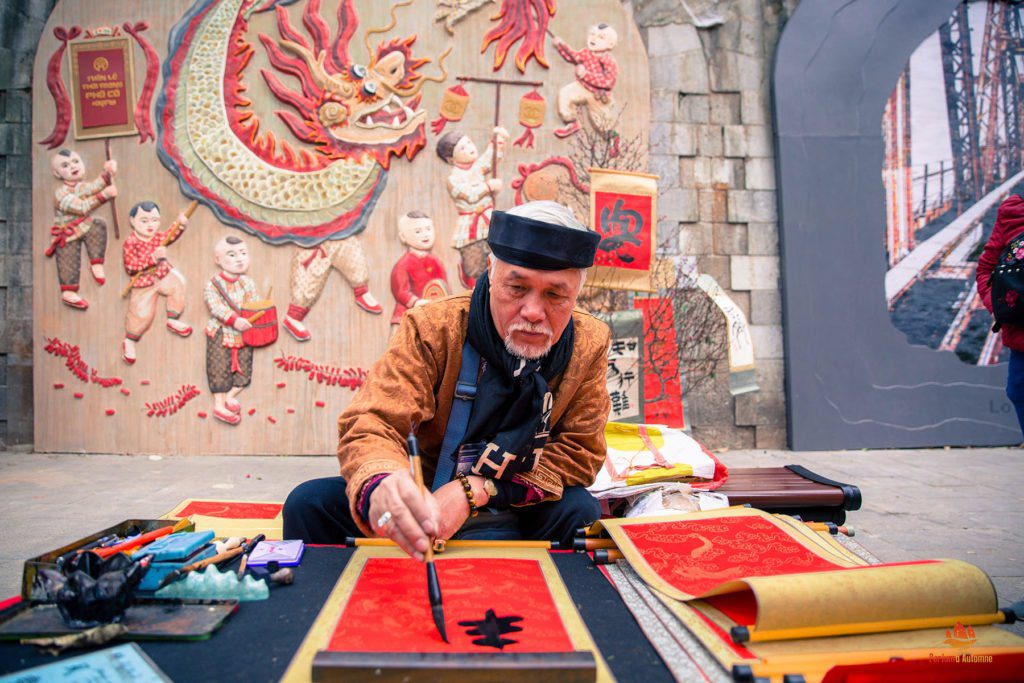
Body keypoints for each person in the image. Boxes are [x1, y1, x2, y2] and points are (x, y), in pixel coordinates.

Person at [284, 201, 610, 554]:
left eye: (555, 295)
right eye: (517, 288)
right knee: (308, 504)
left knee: (581, 512)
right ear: (490, 271)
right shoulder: (434, 327)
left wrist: (476, 490)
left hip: (517, 502)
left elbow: (580, 452)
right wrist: (385, 483)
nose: (533, 312)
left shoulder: (588, 343)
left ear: (576, 293)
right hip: (426, 498)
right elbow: (374, 419)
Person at [437, 126, 509, 289]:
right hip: (470, 227)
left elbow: (490, 159)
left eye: (469, 142)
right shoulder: (453, 178)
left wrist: (498, 140)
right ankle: (474, 290)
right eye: (462, 147)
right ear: (451, 159)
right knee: (475, 264)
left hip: (488, 220)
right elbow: (469, 195)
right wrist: (489, 186)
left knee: (497, 258)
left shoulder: (477, 168)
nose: (470, 148)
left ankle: (495, 289)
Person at [121, 202, 192, 364]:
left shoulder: (158, 237)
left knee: (178, 283)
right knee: (141, 313)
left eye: (154, 220)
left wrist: (180, 224)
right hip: (143, 281)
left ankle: (173, 318)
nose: (150, 225)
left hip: (162, 273)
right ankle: (130, 341)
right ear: (132, 221)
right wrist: (152, 258)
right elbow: (130, 266)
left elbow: (171, 234)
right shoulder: (131, 242)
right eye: (144, 221)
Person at [977, 194, 1024, 435]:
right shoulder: (1014, 211)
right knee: (1019, 391)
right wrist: (997, 307)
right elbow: (986, 268)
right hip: (1022, 342)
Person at [47, 149, 114, 311]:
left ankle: (96, 263)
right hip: (66, 234)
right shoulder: (60, 194)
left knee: (98, 226)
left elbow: (93, 187)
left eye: (75, 161)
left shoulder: (81, 186)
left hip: (84, 226)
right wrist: (104, 196)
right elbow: (82, 207)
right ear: (57, 174)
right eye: (65, 165)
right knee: (68, 260)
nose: (72, 167)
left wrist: (108, 173)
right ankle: (68, 292)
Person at [203, 235, 260, 426]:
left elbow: (254, 304)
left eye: (243, 253)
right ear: (218, 259)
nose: (239, 258)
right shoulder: (213, 284)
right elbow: (216, 307)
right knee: (218, 369)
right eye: (232, 254)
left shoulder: (248, 283)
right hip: (221, 332)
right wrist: (235, 320)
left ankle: (230, 396)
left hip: (245, 334)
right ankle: (219, 404)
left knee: (243, 370)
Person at [552, 23, 619, 139]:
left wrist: (585, 75)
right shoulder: (586, 53)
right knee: (565, 94)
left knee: (602, 123)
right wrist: (561, 45)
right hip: (582, 87)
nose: (594, 38)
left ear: (610, 44)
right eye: (592, 34)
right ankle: (571, 123)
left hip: (598, 95)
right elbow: (572, 56)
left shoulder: (608, 60)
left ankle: (614, 138)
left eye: (601, 37)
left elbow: (609, 82)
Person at [389, 210, 449, 330]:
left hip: (432, 314)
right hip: (406, 316)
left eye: (428, 229)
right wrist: (416, 302)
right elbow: (401, 291)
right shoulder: (403, 264)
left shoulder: (435, 261)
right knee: (401, 344)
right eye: (418, 231)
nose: (425, 234)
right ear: (403, 237)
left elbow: (443, 286)